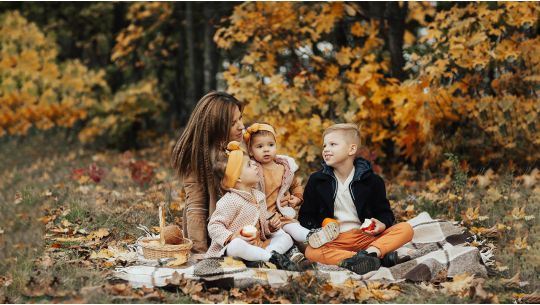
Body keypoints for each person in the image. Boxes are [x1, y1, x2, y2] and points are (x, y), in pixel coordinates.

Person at [298, 123, 414, 275]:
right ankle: (374, 259)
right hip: (334, 240)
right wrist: (319, 230)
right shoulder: (316, 180)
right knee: (310, 252)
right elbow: (305, 216)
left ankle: (371, 255)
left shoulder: (373, 181)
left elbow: (384, 213)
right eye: (324, 145)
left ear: (351, 149)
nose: (326, 149)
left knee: (406, 229)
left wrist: (381, 223)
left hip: (366, 238)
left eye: (333, 144)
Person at [243, 122, 339, 264]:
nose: (266, 150)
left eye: (270, 145)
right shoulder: (252, 169)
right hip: (265, 219)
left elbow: (295, 186)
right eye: (259, 147)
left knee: (296, 228)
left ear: (276, 146)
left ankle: (314, 235)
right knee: (280, 234)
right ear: (251, 151)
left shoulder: (284, 168)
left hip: (282, 213)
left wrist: (297, 199)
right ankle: (293, 253)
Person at [171, 91, 246, 255]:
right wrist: (200, 253)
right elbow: (196, 208)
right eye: (233, 123)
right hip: (219, 237)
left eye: (240, 118)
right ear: (216, 127)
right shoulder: (199, 158)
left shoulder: (243, 147)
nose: (241, 126)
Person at [205, 141, 299, 270]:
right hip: (233, 251)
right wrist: (232, 237)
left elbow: (263, 226)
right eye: (249, 165)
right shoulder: (230, 201)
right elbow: (214, 226)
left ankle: (267, 256)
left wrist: (270, 226)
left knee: (286, 237)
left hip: (257, 245)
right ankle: (271, 259)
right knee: (237, 244)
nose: (255, 166)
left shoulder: (258, 196)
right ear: (238, 178)